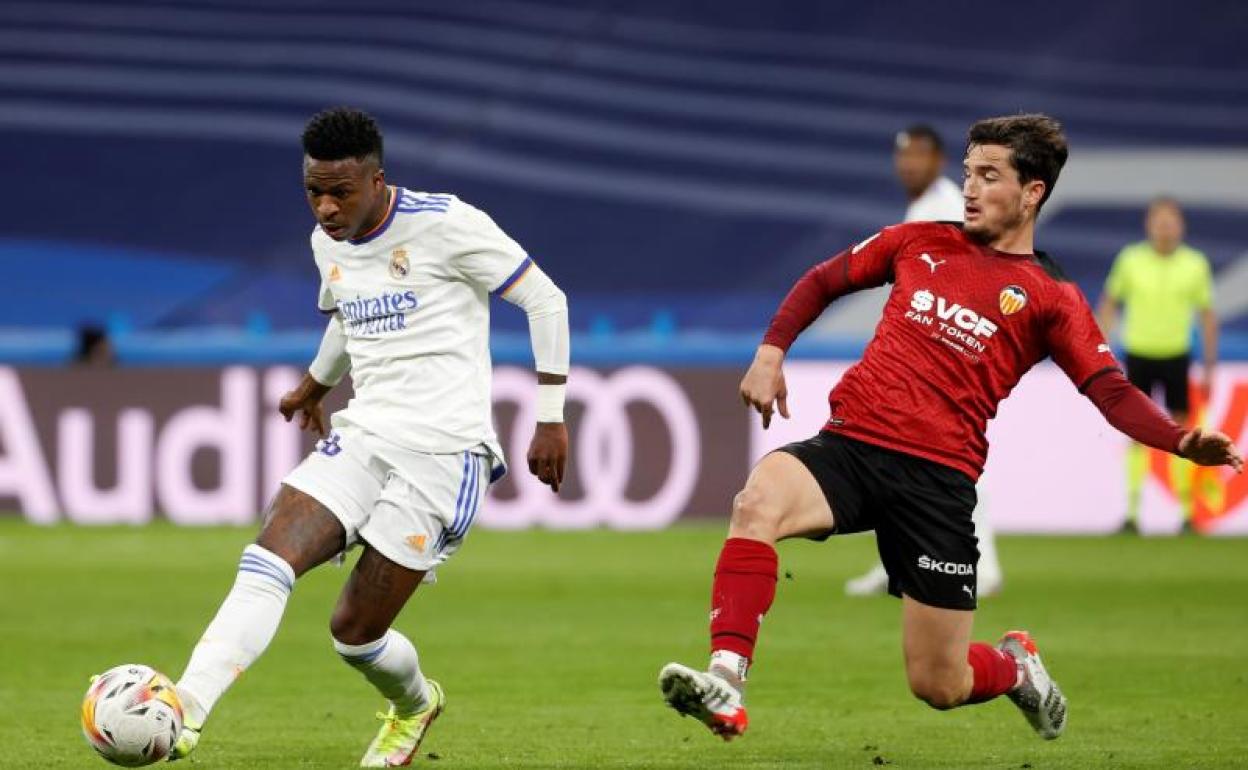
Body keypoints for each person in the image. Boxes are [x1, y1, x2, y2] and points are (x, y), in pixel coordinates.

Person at [658, 114, 1241, 745]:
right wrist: (772, 352)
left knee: (939, 683)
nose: (969, 188)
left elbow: (1110, 391)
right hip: (851, 446)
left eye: (989, 175)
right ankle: (726, 680)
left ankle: (1016, 669)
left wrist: (1180, 440)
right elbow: (824, 280)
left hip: (937, 484)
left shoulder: (1051, 296)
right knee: (757, 502)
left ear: (1032, 192)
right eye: (968, 172)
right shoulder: (918, 242)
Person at [167, 107, 570, 766]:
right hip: (364, 435)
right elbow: (346, 314)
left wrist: (550, 416)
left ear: (377, 181)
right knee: (267, 558)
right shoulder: (327, 241)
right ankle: (183, 709)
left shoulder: (447, 224)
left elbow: (546, 300)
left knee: (353, 634)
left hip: (445, 453)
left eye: (340, 192)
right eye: (313, 192)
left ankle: (415, 704)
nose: (326, 207)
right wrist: (316, 384)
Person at [845, 124, 1004, 598]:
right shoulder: (926, 207)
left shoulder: (949, 207)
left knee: (950, 458)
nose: (909, 164)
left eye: (919, 155)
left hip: (945, 353)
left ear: (938, 161)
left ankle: (981, 564)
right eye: (904, 156)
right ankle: (898, 561)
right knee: (900, 455)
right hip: (924, 351)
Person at [1096, 198, 1217, 533]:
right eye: (1159, 220)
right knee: (1136, 431)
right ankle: (1132, 513)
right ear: (1148, 225)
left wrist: (1209, 366)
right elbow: (1110, 304)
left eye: (1170, 221)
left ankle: (1186, 513)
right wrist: (1100, 351)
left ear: (1181, 226)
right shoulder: (1130, 260)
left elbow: (1207, 316)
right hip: (1139, 353)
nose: (1165, 227)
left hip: (1176, 355)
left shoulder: (1195, 264)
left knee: (1184, 431)